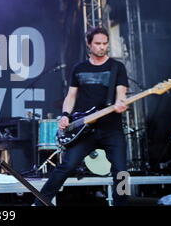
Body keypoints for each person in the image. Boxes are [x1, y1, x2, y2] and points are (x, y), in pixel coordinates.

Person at [34, 27, 129, 206]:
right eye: (98, 43)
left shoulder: (117, 67)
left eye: (105, 43)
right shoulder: (79, 68)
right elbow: (71, 96)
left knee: (122, 171)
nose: (102, 47)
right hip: (85, 129)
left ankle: (121, 204)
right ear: (89, 44)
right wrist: (64, 115)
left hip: (111, 129)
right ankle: (40, 202)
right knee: (66, 166)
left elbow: (121, 93)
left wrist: (120, 102)